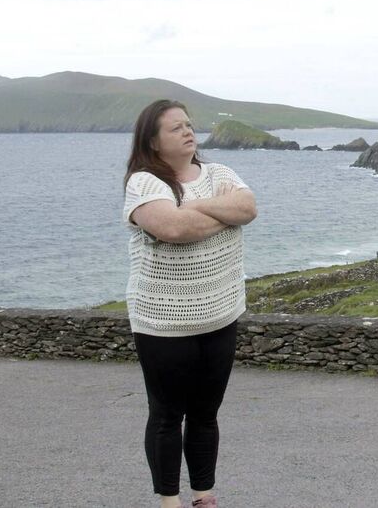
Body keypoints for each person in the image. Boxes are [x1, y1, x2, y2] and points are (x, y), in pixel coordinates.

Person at [123, 99, 257, 508]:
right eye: (174, 127)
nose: (187, 131)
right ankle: (169, 501)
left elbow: (248, 208)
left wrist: (194, 205)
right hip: (164, 323)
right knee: (167, 415)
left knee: (206, 413)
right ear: (153, 140)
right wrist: (221, 213)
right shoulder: (144, 183)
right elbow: (173, 228)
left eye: (188, 124)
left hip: (221, 314)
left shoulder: (219, 173)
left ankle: (204, 496)